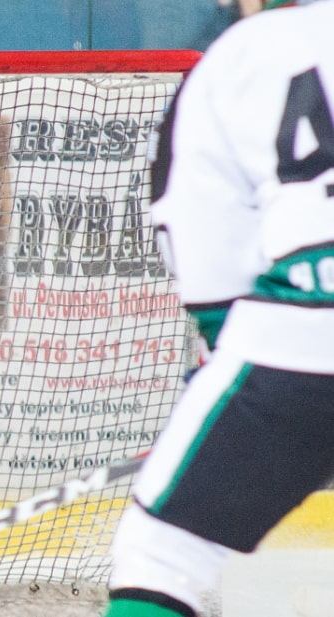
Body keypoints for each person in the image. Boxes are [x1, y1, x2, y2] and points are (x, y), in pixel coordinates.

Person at [106, 2, 334, 616]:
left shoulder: (249, 51)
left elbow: (207, 253)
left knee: (163, 554)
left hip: (302, 344)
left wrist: (232, 369)